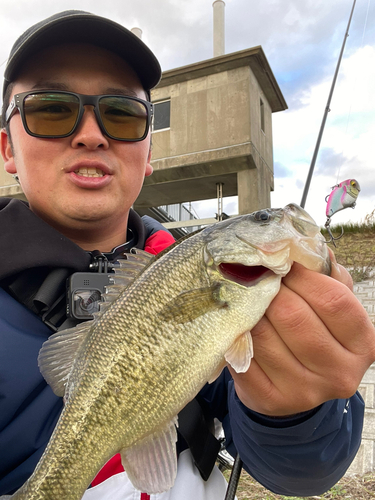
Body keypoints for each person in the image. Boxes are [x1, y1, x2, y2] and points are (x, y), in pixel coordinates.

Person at [0, 10, 374, 500]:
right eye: (50, 109)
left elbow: (298, 472)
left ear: (148, 150)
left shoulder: (206, 277)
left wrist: (299, 409)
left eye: (121, 114)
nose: (91, 134)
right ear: (7, 148)